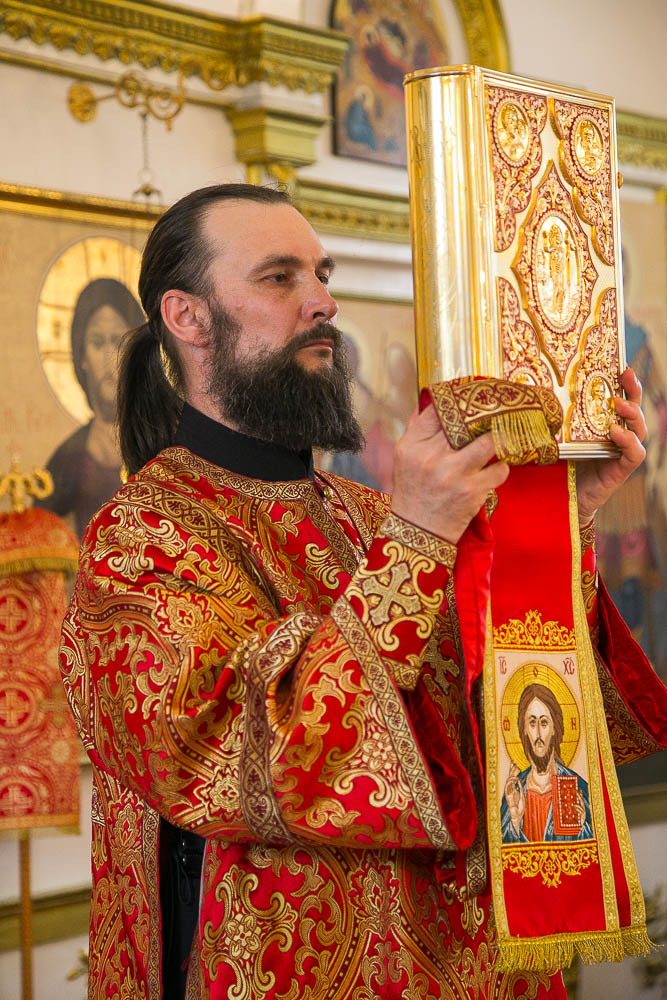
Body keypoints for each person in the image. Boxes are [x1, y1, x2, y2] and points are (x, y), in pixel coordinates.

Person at [59, 184, 667, 1000]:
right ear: (187, 317)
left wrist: (562, 521)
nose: (323, 302)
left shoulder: (372, 513)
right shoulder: (137, 541)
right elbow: (245, 759)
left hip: (459, 968)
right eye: (280, 277)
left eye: (322, 273)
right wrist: (417, 536)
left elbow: (506, 704)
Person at [39, 277, 144, 536]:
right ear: (82, 357)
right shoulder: (66, 460)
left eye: (118, 341)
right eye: (97, 342)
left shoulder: (165, 441)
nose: (109, 357)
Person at [501, 683, 592, 843]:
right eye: (532, 723)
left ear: (555, 727)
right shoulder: (515, 791)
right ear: (524, 729)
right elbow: (501, 849)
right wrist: (515, 821)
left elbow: (594, 850)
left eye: (543, 723)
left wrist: (582, 827)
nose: (538, 734)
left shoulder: (577, 787)